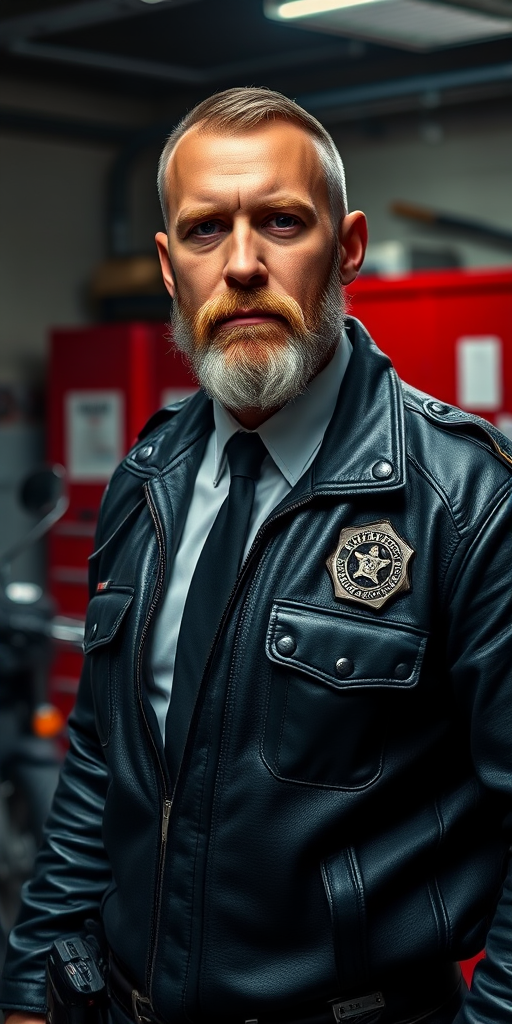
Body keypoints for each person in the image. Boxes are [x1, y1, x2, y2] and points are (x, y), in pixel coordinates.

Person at [1, 86, 512, 1024]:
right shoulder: (145, 479)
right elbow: (100, 762)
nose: (242, 265)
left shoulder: (463, 502)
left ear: (347, 247)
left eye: (281, 221)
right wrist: (30, 991)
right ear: (167, 266)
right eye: (205, 232)